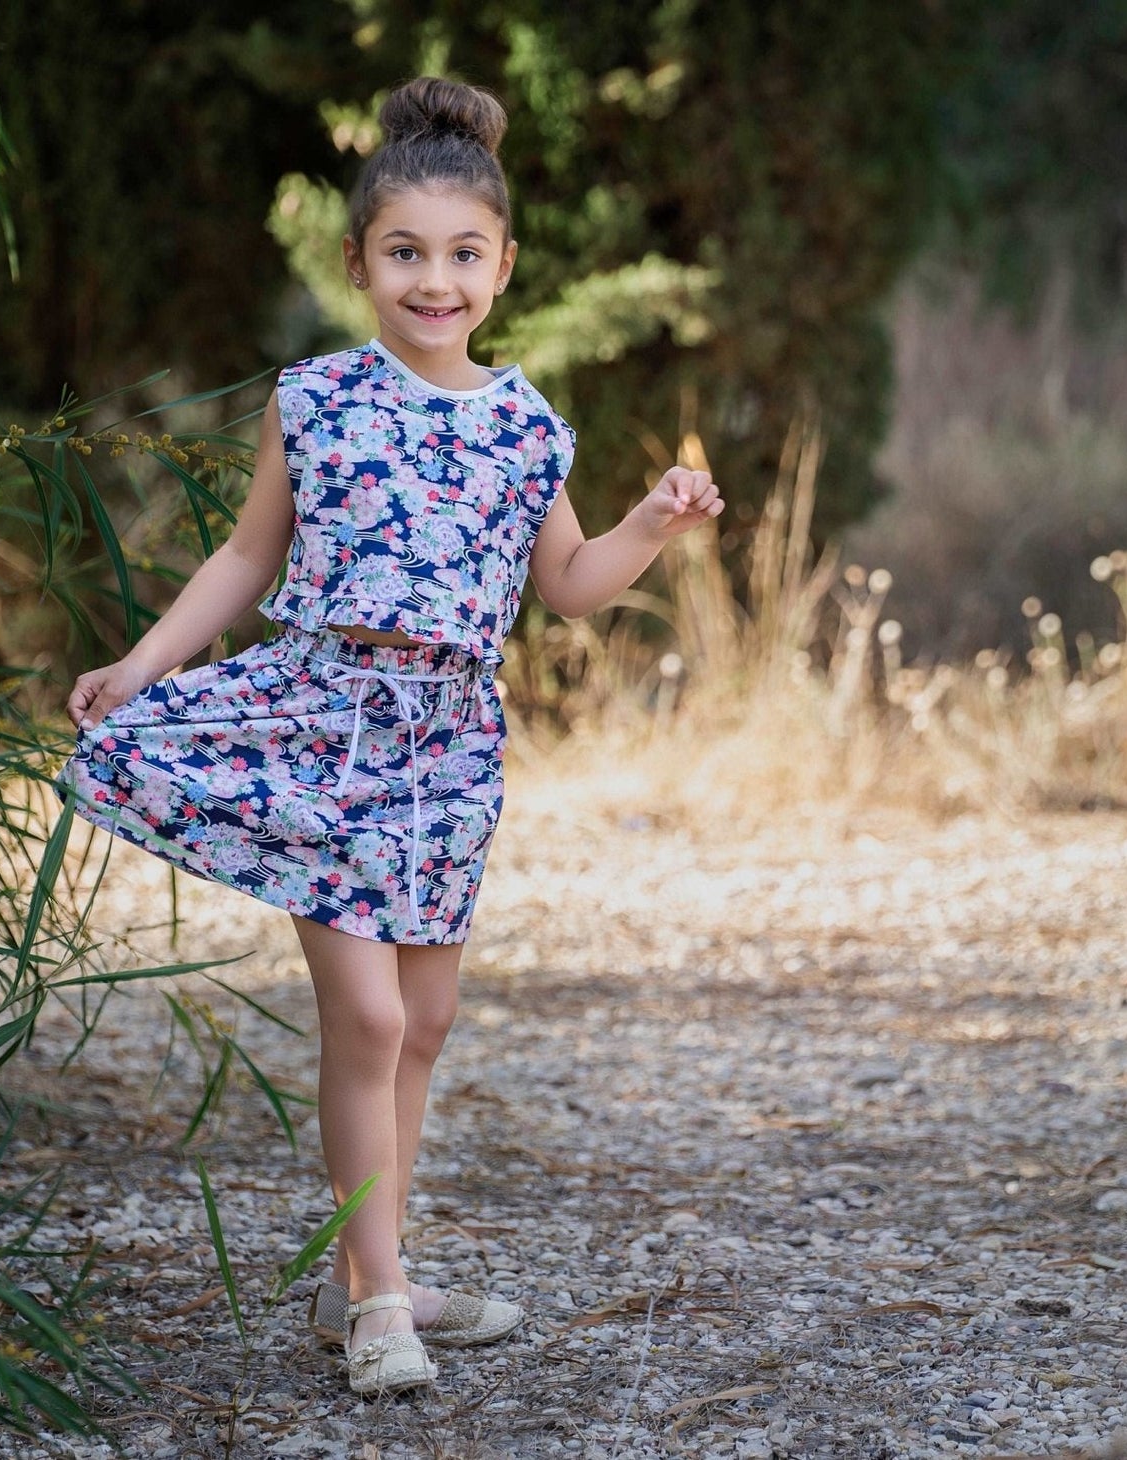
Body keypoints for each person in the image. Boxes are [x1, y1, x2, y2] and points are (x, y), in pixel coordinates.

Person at [56, 74, 722, 1400]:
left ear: (503, 267)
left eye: (462, 256)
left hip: (450, 740)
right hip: (318, 721)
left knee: (423, 1018)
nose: (435, 281)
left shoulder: (527, 426)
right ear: (358, 262)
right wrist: (143, 661)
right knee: (362, 1011)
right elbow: (250, 557)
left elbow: (570, 581)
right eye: (405, 254)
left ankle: (376, 1281)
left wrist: (651, 524)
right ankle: (376, 1316)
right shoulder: (313, 401)